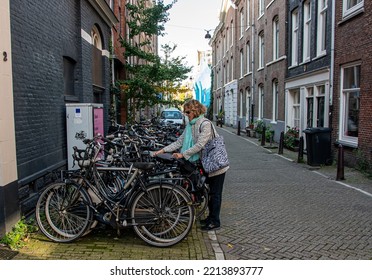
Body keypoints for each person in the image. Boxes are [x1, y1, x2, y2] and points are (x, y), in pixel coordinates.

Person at [153, 100, 229, 231]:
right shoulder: (190, 125)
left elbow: (200, 145)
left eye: (188, 112)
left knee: (215, 193)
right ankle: (210, 218)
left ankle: (215, 221)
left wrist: (183, 154)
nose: (186, 114)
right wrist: (162, 150)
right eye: (185, 112)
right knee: (208, 192)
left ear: (195, 111)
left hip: (216, 164)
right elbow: (179, 141)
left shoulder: (205, 124)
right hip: (205, 163)